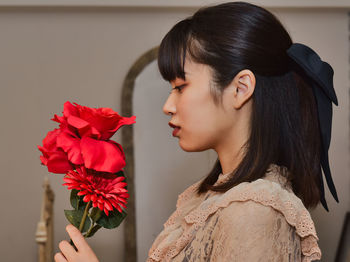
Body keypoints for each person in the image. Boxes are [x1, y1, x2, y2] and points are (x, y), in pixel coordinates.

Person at [54, 1, 339, 261]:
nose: (168, 106)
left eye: (180, 87)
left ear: (240, 88)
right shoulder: (216, 198)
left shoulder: (253, 211)